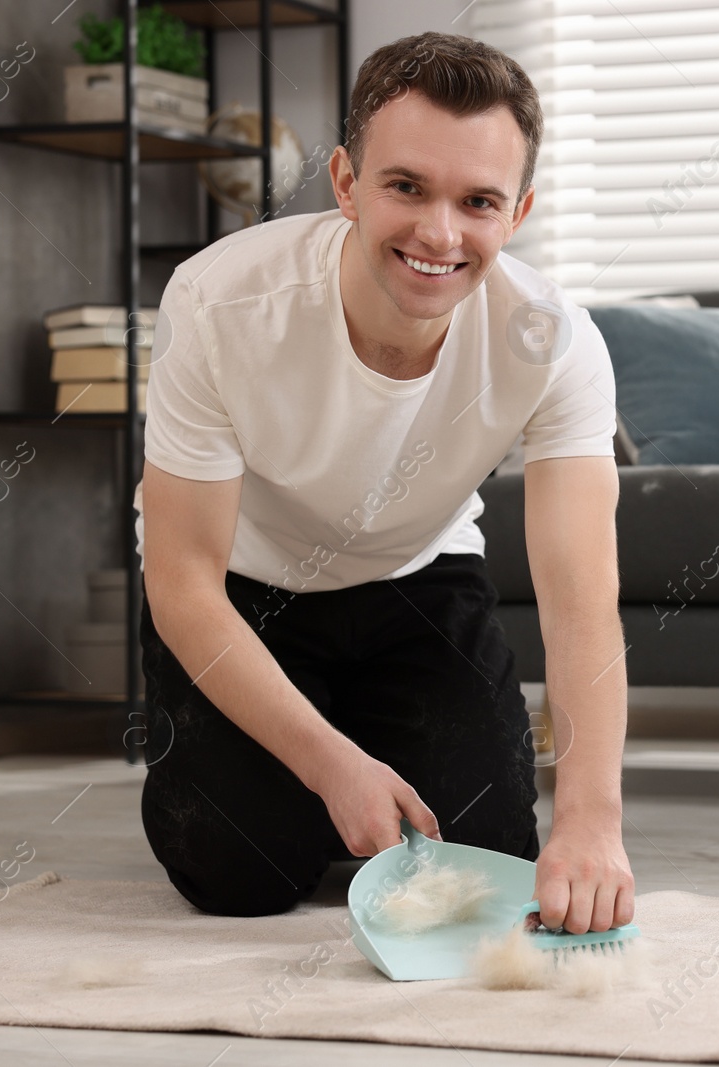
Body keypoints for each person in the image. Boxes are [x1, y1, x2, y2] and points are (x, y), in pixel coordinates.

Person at [132, 31, 634, 935]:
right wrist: (330, 766)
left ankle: (361, 746)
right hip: (246, 596)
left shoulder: (554, 339)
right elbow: (180, 583)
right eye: (407, 186)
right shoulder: (215, 304)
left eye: (478, 200)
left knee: (487, 849)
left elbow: (581, 595)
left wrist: (592, 822)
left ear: (516, 213)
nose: (439, 233)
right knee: (239, 869)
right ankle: (309, 763)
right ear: (346, 182)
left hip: (417, 579)